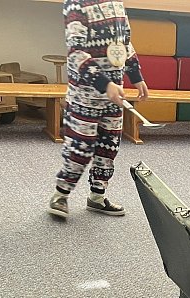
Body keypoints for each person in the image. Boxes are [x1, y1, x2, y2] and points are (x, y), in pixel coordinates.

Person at [47, 0, 148, 218]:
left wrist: (136, 76)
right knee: (80, 148)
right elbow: (76, 53)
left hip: (114, 97)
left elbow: (124, 43)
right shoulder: (76, 5)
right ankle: (61, 195)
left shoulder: (117, 4)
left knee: (108, 148)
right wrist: (105, 83)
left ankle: (97, 197)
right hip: (84, 97)